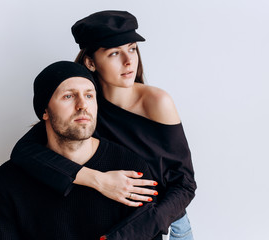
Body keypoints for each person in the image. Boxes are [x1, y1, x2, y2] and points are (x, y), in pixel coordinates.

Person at [11, 11, 196, 239]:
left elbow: (185, 183)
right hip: (108, 220)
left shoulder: (157, 102)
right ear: (90, 62)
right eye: (115, 53)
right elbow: (24, 153)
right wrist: (97, 180)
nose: (129, 61)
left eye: (132, 48)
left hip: (165, 223)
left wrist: (130, 234)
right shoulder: (83, 107)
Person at [0, 61, 160, 240]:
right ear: (44, 111)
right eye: (68, 96)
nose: (82, 105)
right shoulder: (10, 179)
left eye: (89, 95)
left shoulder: (130, 170)